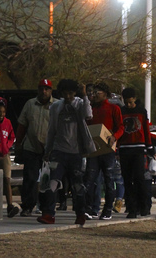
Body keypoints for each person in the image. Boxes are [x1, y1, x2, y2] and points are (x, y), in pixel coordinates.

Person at [37, 79, 95, 226]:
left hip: (76, 152)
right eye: (65, 93)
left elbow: (88, 115)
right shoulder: (56, 107)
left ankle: (80, 213)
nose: (68, 96)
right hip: (59, 151)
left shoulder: (80, 104)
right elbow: (51, 130)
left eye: (71, 93)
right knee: (52, 182)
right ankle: (49, 214)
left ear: (75, 93)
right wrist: (48, 150)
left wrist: (84, 96)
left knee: (77, 185)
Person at [15, 79, 56, 217]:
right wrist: (18, 144)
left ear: (51, 90)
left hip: (50, 149)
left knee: (47, 180)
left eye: (47, 89)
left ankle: (46, 207)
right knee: (30, 179)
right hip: (31, 147)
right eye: (41, 88)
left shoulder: (56, 105)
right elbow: (22, 125)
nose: (44, 91)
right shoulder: (30, 104)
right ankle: (27, 206)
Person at [84, 81, 123, 220]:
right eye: (93, 93)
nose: (94, 95)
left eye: (97, 93)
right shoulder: (90, 109)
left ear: (105, 94)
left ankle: (107, 210)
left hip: (107, 150)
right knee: (89, 179)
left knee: (109, 180)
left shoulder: (113, 108)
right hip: (93, 149)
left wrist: (114, 137)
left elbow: (121, 127)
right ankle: (88, 209)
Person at [118, 87, 153, 219]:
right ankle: (131, 208)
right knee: (127, 179)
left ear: (135, 99)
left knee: (139, 178)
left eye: (131, 102)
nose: (128, 105)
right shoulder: (121, 111)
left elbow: (146, 129)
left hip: (138, 148)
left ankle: (143, 206)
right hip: (124, 148)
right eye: (126, 102)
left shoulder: (141, 111)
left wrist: (149, 146)